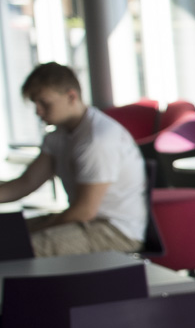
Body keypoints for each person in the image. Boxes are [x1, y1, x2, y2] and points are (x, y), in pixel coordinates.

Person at [0, 62, 147, 257]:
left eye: (44, 103)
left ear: (71, 96)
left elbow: (84, 211)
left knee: (14, 246)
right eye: (35, 104)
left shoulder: (97, 140)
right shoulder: (58, 135)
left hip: (113, 230)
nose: (38, 111)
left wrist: (31, 232)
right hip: (85, 221)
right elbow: (26, 183)